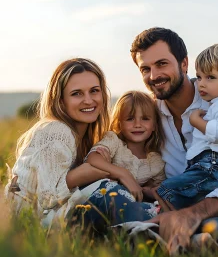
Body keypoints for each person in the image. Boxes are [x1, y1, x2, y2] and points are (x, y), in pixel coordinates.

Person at [130, 27, 218, 254]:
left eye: (162, 64)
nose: (154, 76)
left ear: (184, 64)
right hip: (186, 215)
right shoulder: (148, 118)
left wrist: (194, 213)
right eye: (146, 69)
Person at [4, 58, 156, 228]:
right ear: (60, 100)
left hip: (54, 219)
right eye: (77, 93)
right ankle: (151, 226)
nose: (89, 100)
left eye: (94, 91)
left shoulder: (85, 138)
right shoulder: (56, 130)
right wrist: (93, 174)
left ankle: (149, 223)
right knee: (107, 192)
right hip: (31, 224)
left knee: (110, 194)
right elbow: (47, 199)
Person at [156, 43, 218, 211]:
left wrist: (197, 122)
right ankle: (171, 220)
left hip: (212, 167)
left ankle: (166, 218)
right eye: (199, 76)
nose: (201, 84)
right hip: (206, 166)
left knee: (166, 190)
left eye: (210, 77)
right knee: (171, 194)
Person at [80, 90, 166, 225]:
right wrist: (122, 174)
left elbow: (157, 188)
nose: (138, 124)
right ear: (119, 124)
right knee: (118, 198)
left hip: (130, 207)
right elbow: (93, 158)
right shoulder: (114, 142)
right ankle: (144, 225)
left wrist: (148, 191)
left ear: (155, 125)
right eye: (130, 119)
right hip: (104, 201)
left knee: (157, 208)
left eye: (145, 118)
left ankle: (148, 227)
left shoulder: (156, 161)